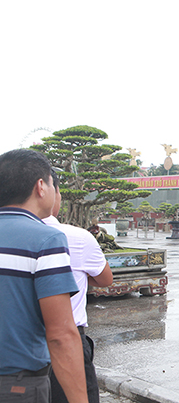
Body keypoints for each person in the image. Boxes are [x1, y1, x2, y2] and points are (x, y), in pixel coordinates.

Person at [0, 149, 88, 403]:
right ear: (41, 186)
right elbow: (60, 334)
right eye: (52, 183)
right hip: (17, 387)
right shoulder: (45, 239)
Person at [43, 169, 113, 403]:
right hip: (68, 340)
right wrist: (79, 276)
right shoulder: (77, 237)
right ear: (45, 190)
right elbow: (105, 279)